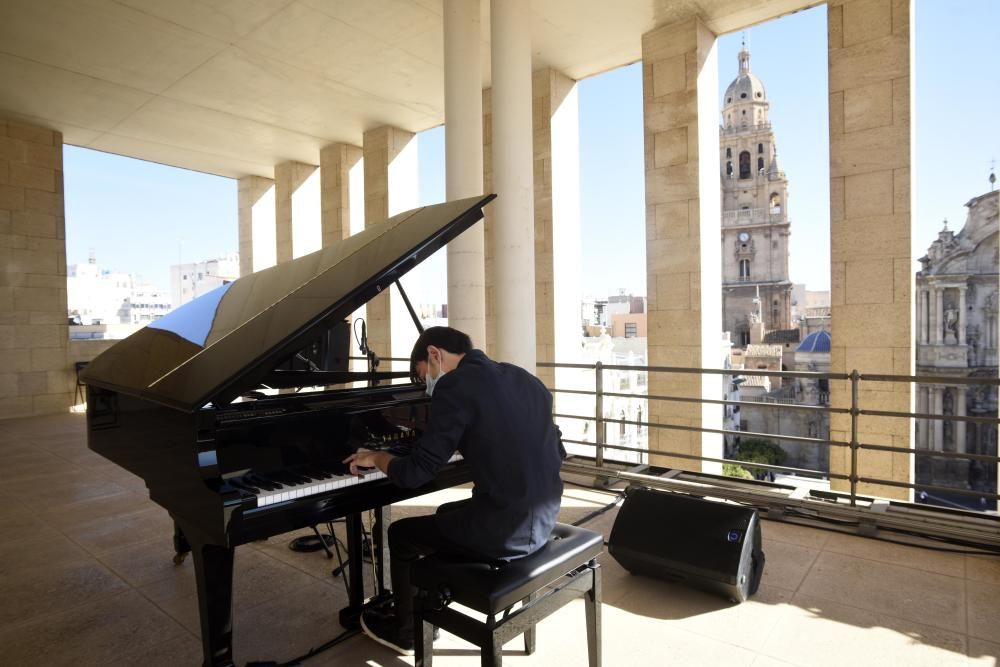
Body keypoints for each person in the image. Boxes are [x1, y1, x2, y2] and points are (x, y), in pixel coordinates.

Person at [343, 326, 566, 655]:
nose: (427, 386)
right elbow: (556, 450)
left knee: (402, 533)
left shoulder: (454, 384)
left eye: (423, 377)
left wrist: (376, 456)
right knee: (445, 513)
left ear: (434, 355)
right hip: (544, 516)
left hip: (507, 530)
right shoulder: (524, 379)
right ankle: (430, 600)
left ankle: (405, 632)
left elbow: (415, 473)